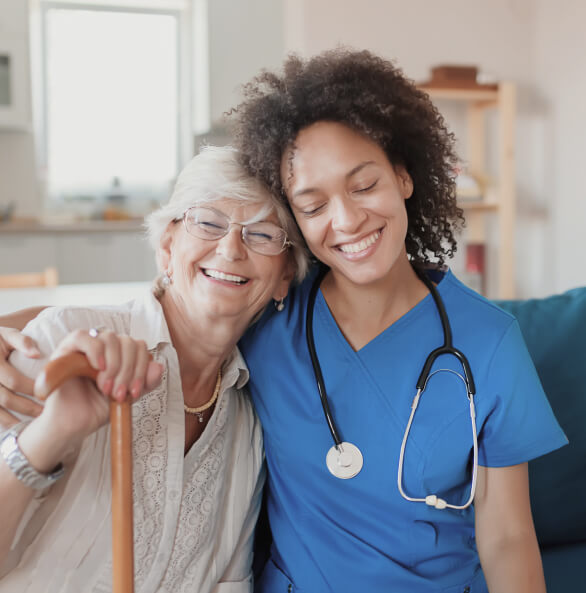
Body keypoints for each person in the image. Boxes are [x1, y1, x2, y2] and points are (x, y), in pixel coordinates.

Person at [0, 49, 568, 593]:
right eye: (313, 205)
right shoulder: (275, 315)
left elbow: (509, 537)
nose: (346, 219)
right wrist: (17, 332)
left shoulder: (488, 342)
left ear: (405, 176)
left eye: (364, 184)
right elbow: (169, 305)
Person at [0, 145, 307, 593]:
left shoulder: (250, 421)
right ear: (166, 247)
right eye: (207, 221)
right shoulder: (62, 346)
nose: (230, 247)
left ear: (284, 277)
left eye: (261, 234)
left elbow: (228, 581)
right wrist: (52, 432)